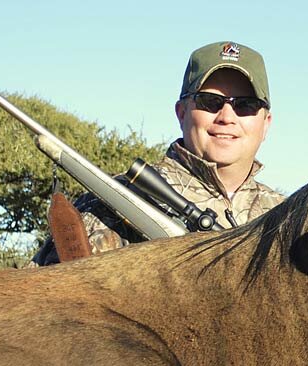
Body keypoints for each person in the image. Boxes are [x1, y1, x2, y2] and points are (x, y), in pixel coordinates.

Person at [33, 41, 285, 264]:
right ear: (182, 113)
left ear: (266, 123)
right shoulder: (114, 201)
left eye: (246, 106)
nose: (227, 117)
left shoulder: (288, 216)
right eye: (210, 102)